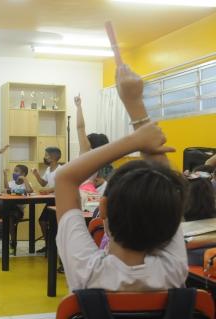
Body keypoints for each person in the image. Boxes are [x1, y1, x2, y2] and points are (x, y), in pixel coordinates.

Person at [55, 63, 188, 292]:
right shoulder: (173, 271)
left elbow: (64, 178)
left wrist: (136, 136)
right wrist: (135, 105)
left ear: (103, 207)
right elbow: (165, 182)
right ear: (173, 215)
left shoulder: (87, 272)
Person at [32, 147, 61, 253]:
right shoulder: (48, 169)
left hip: (58, 200)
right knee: (42, 221)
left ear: (53, 157)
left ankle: (52, 246)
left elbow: (61, 185)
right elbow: (43, 183)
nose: (44, 157)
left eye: (46, 155)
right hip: (50, 199)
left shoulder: (61, 169)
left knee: (48, 222)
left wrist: (49, 190)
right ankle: (48, 245)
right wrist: (36, 175)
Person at [3, 165, 33, 255]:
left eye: (16, 171)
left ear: (23, 174)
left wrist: (25, 179)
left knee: (10, 216)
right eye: (14, 171)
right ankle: (12, 243)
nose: (14, 173)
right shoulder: (11, 183)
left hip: (18, 212)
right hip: (9, 210)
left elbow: (30, 191)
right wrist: (5, 175)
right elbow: (6, 188)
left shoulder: (26, 184)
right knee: (7, 208)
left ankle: (12, 243)